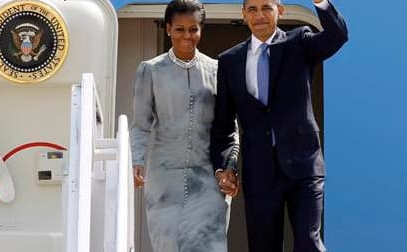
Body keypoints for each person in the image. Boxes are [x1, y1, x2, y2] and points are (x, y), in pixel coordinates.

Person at [210, 0, 348, 251]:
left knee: (309, 243)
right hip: (260, 171)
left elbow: (337, 36)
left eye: (266, 8)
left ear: (280, 11)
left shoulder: (300, 42)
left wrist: (321, 3)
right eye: (252, 9)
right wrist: (223, 167)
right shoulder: (229, 61)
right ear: (243, 15)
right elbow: (223, 124)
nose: (259, 15)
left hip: (304, 165)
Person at [130, 0, 228, 251]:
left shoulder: (218, 70)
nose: (187, 36)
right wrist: (136, 160)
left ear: (201, 29)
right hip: (164, 177)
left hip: (209, 178)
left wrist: (230, 165)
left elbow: (229, 126)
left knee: (209, 246)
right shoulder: (150, 70)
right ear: (168, 30)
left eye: (193, 29)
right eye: (180, 29)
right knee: (168, 245)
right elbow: (140, 124)